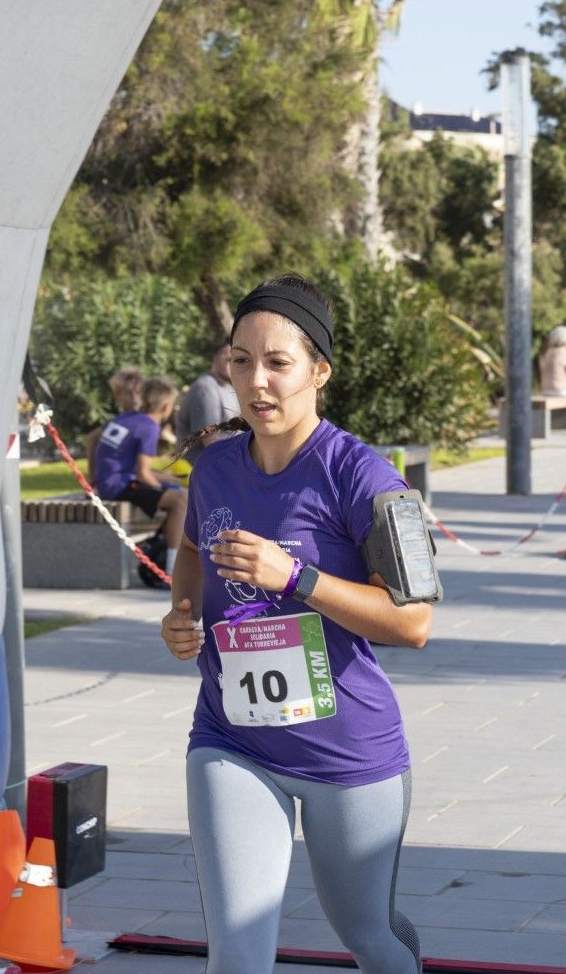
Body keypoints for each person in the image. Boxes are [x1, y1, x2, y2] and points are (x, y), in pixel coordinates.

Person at [160, 273, 430, 974]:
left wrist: (296, 578)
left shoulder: (364, 477)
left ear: (319, 371)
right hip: (231, 740)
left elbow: (414, 622)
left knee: (369, 937)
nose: (257, 381)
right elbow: (191, 552)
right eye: (241, 360)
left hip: (346, 752)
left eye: (278, 363)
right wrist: (181, 613)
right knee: (238, 955)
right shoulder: (213, 466)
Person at [92, 377, 187, 575]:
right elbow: (143, 474)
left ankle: (159, 549)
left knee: (176, 491)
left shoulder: (128, 418)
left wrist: (168, 479)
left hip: (110, 482)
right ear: (166, 406)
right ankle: (172, 569)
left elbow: (134, 467)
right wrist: (165, 489)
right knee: (181, 500)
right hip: (118, 487)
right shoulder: (150, 427)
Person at [175, 341, 240, 458]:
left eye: (237, 359)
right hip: (199, 470)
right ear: (215, 358)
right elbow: (210, 442)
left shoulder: (228, 387)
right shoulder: (205, 389)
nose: (231, 361)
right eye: (227, 358)